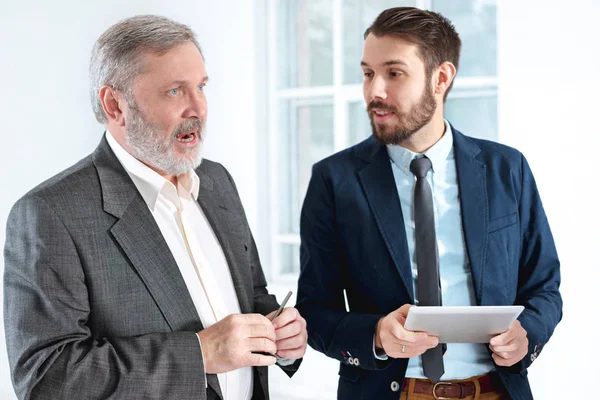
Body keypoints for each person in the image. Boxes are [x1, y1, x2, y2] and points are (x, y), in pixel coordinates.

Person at [3, 15, 307, 400]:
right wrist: (200, 353)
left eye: (201, 87)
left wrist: (281, 336)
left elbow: (254, 296)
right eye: (175, 92)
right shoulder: (50, 214)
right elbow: (47, 377)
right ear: (115, 105)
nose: (198, 108)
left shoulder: (217, 182)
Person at [296, 7, 561, 400]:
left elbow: (544, 288)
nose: (374, 92)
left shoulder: (507, 169)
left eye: (394, 73)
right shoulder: (334, 180)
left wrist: (528, 336)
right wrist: (376, 335)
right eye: (368, 73)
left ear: (441, 78)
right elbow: (314, 312)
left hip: (497, 390)